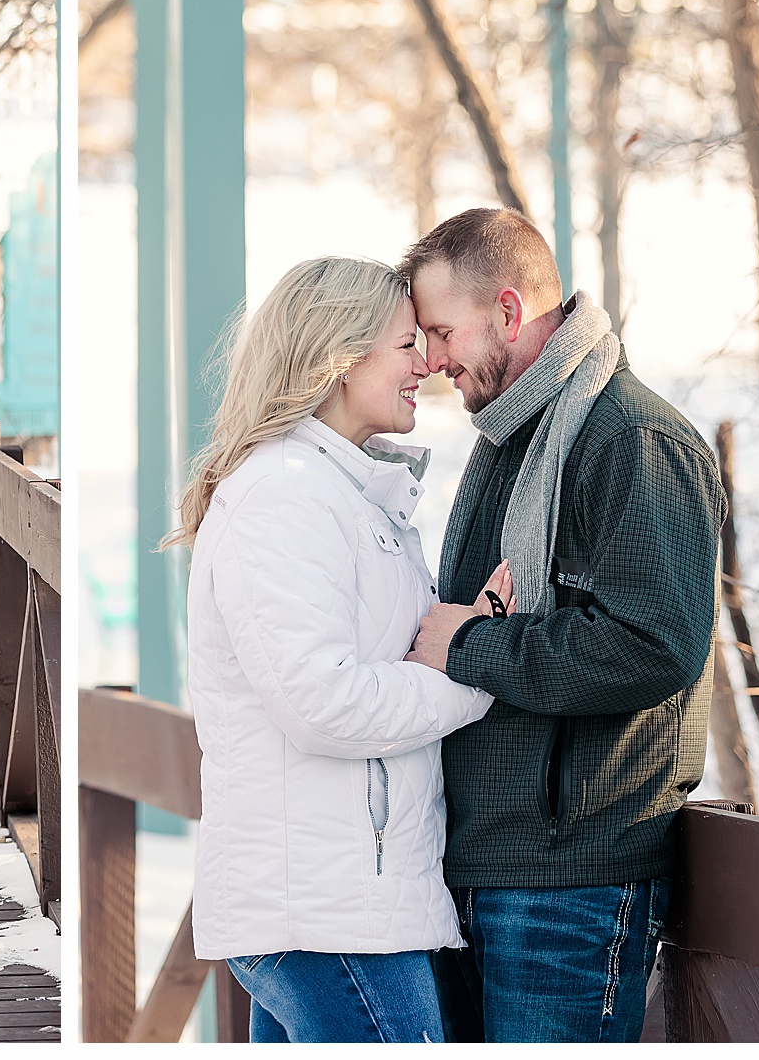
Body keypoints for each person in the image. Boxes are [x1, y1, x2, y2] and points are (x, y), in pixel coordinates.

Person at [400, 207, 724, 1043]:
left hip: (570, 884)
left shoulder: (634, 442)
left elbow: (654, 645)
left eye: (441, 331)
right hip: (479, 863)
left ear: (508, 312)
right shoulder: (513, 437)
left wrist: (471, 645)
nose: (432, 360)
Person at [168, 256, 510, 1043]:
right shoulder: (284, 496)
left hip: (340, 907)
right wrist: (474, 669)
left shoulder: (342, 494)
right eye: (403, 345)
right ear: (338, 356)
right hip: (324, 916)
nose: (425, 363)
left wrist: (455, 640)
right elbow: (325, 704)